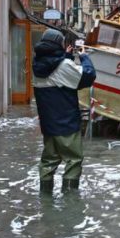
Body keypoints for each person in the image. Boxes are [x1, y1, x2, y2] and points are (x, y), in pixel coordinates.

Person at [32, 29, 96, 192]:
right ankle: (70, 202)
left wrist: (66, 56)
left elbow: (56, 76)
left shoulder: (37, 65)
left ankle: (45, 198)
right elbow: (88, 77)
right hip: (67, 125)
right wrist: (84, 57)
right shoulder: (64, 65)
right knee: (73, 161)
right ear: (58, 45)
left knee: (48, 162)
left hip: (48, 126)